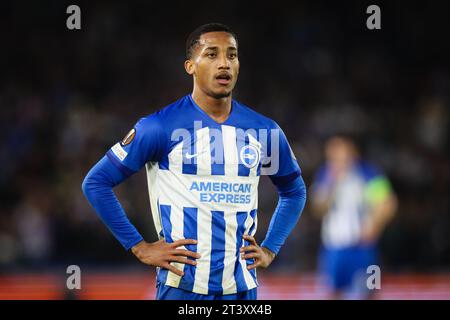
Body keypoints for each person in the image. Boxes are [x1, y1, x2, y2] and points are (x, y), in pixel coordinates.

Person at [82, 23, 307, 300]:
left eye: (232, 55)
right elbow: (96, 183)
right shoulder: (159, 127)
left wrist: (271, 247)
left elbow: (294, 191)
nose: (224, 63)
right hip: (182, 289)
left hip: (242, 290)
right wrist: (139, 247)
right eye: (212, 54)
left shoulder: (265, 131)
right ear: (190, 66)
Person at [311, 135, 397, 299]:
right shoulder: (325, 175)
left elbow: (388, 202)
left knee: (370, 291)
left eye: (340, 151)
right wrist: (331, 184)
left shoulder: (367, 173)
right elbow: (318, 209)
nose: (335, 157)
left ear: (352, 151)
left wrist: (375, 225)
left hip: (363, 246)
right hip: (334, 246)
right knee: (333, 292)